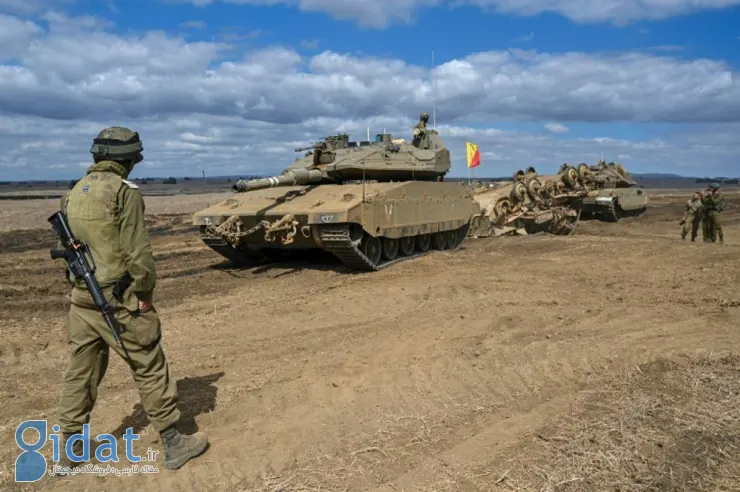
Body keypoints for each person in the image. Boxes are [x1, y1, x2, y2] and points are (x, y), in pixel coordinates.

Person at [55, 127, 208, 473]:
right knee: (149, 363)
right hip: (117, 299)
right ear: (127, 160)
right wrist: (145, 295)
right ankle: (173, 441)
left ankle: (70, 446)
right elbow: (138, 253)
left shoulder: (74, 192)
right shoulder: (124, 194)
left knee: (81, 370)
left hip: (82, 298)